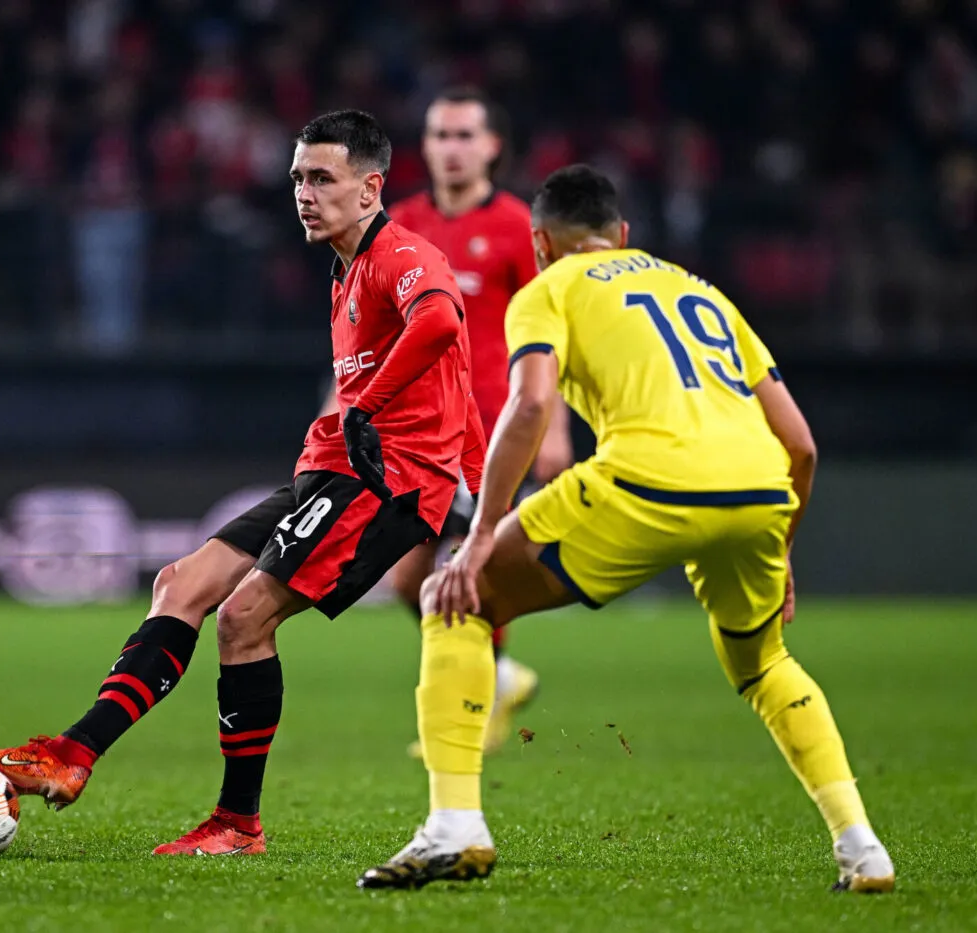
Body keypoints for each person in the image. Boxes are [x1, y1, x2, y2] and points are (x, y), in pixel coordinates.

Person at [358, 166, 896, 894]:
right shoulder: (702, 289)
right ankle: (862, 846)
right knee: (764, 663)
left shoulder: (549, 288)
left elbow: (529, 405)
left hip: (646, 477)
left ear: (540, 242)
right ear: (624, 234)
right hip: (760, 490)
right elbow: (800, 442)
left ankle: (455, 825)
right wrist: (782, 546)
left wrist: (481, 532)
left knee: (457, 595)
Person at [0, 109, 487, 856]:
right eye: (298, 179)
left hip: (386, 480)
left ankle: (237, 823)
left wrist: (375, 419)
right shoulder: (347, 269)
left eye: (322, 178)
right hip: (335, 469)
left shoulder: (400, 254)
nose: (304, 194)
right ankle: (72, 752)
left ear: (371, 188)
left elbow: (439, 324)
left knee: (244, 618)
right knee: (181, 582)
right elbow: (458, 380)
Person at [318, 87, 570, 753]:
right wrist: (341, 407)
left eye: (464, 135)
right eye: (440, 135)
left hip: (491, 428)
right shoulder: (395, 224)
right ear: (423, 146)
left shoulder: (519, 226)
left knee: (468, 565)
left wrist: (556, 425)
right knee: (407, 577)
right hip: (416, 431)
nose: (451, 148)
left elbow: (554, 330)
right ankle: (501, 672)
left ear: (491, 146)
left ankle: (474, 707)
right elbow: (361, 328)